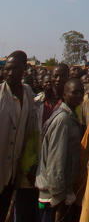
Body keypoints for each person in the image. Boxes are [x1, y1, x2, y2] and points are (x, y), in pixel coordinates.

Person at [35, 78, 84, 221]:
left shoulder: (72, 116)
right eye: (74, 92)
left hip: (60, 194)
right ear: (64, 94)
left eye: (81, 92)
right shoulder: (63, 120)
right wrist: (59, 198)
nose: (79, 96)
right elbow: (56, 161)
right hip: (53, 197)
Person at [0, 50, 38, 222]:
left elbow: (31, 130)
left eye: (13, 69)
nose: (8, 73)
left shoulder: (28, 93)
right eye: (6, 69)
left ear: (24, 70)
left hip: (13, 173)